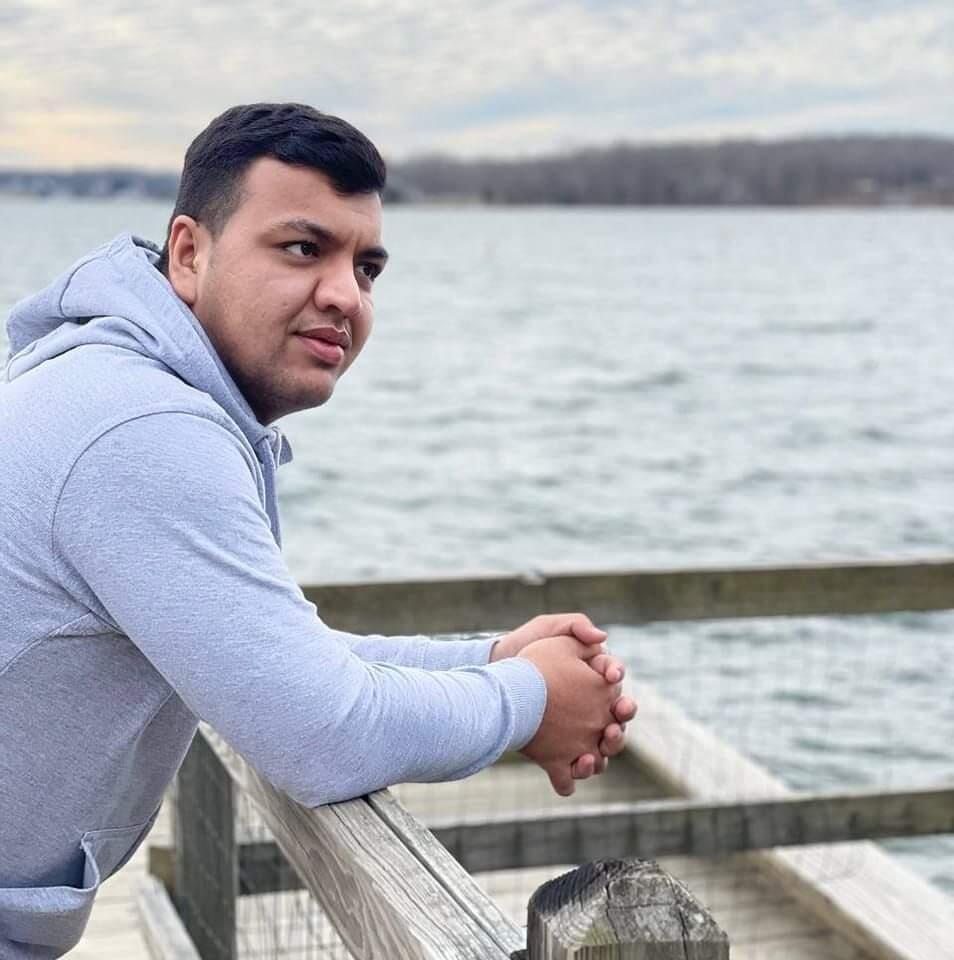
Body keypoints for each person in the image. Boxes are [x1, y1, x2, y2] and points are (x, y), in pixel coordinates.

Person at [0, 103, 636, 958]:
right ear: (190, 252)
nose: (344, 293)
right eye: (302, 248)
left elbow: (277, 657)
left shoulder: (118, 385)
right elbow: (320, 731)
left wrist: (491, 661)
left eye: (367, 267)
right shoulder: (141, 427)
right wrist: (532, 702)